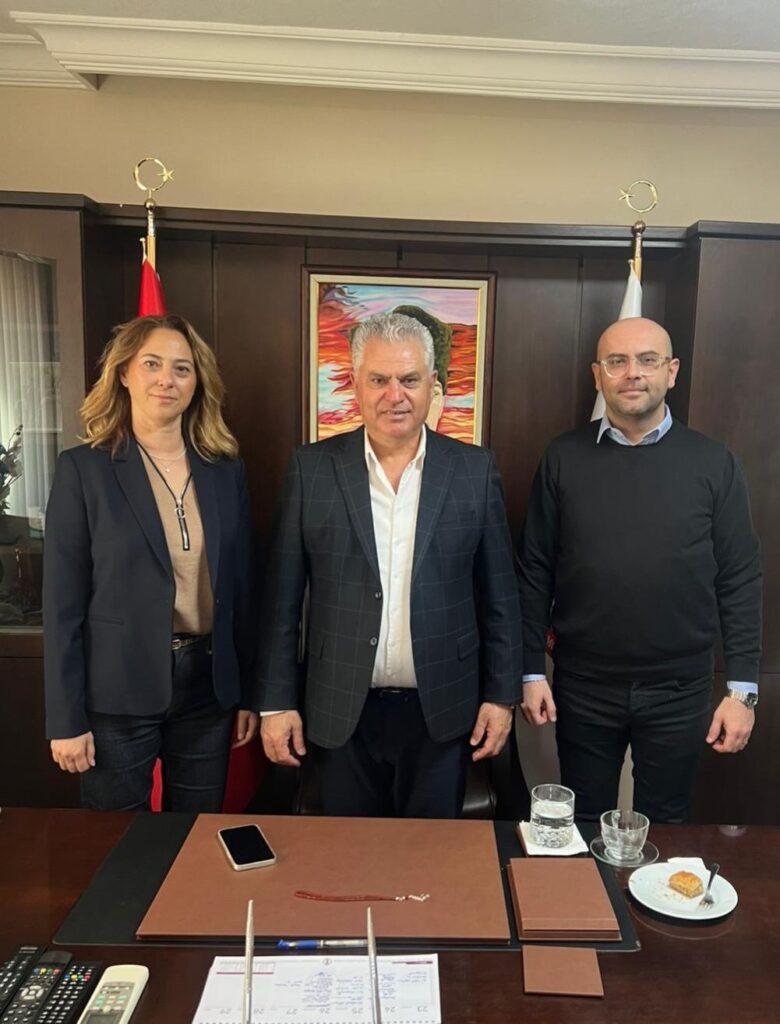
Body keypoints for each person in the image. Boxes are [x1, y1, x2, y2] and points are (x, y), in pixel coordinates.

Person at [257, 311, 523, 818]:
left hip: (443, 711)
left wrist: (501, 696)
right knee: (348, 854)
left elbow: (500, 598)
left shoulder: (474, 470)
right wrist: (276, 702)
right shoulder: (311, 470)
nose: (394, 395)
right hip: (339, 708)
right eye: (379, 380)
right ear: (356, 384)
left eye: (409, 379)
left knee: (430, 857)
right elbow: (281, 601)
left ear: (432, 385)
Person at [518, 316, 762, 823]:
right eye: (617, 361)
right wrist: (529, 669)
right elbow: (535, 569)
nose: (632, 372)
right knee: (583, 823)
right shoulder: (563, 457)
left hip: (680, 688)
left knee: (666, 825)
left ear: (671, 372)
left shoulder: (714, 464)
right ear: (598, 375)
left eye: (647, 360)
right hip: (583, 685)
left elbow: (740, 577)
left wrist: (742, 690)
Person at [43, 313, 259, 811]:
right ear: (124, 373)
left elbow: (246, 590)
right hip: (116, 690)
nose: (167, 379)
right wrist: (66, 720)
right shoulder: (85, 469)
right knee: (117, 842)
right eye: (152, 364)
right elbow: (61, 607)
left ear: (197, 382)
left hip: (208, 688)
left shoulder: (225, 469)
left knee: (193, 836)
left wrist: (249, 692)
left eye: (182, 368)